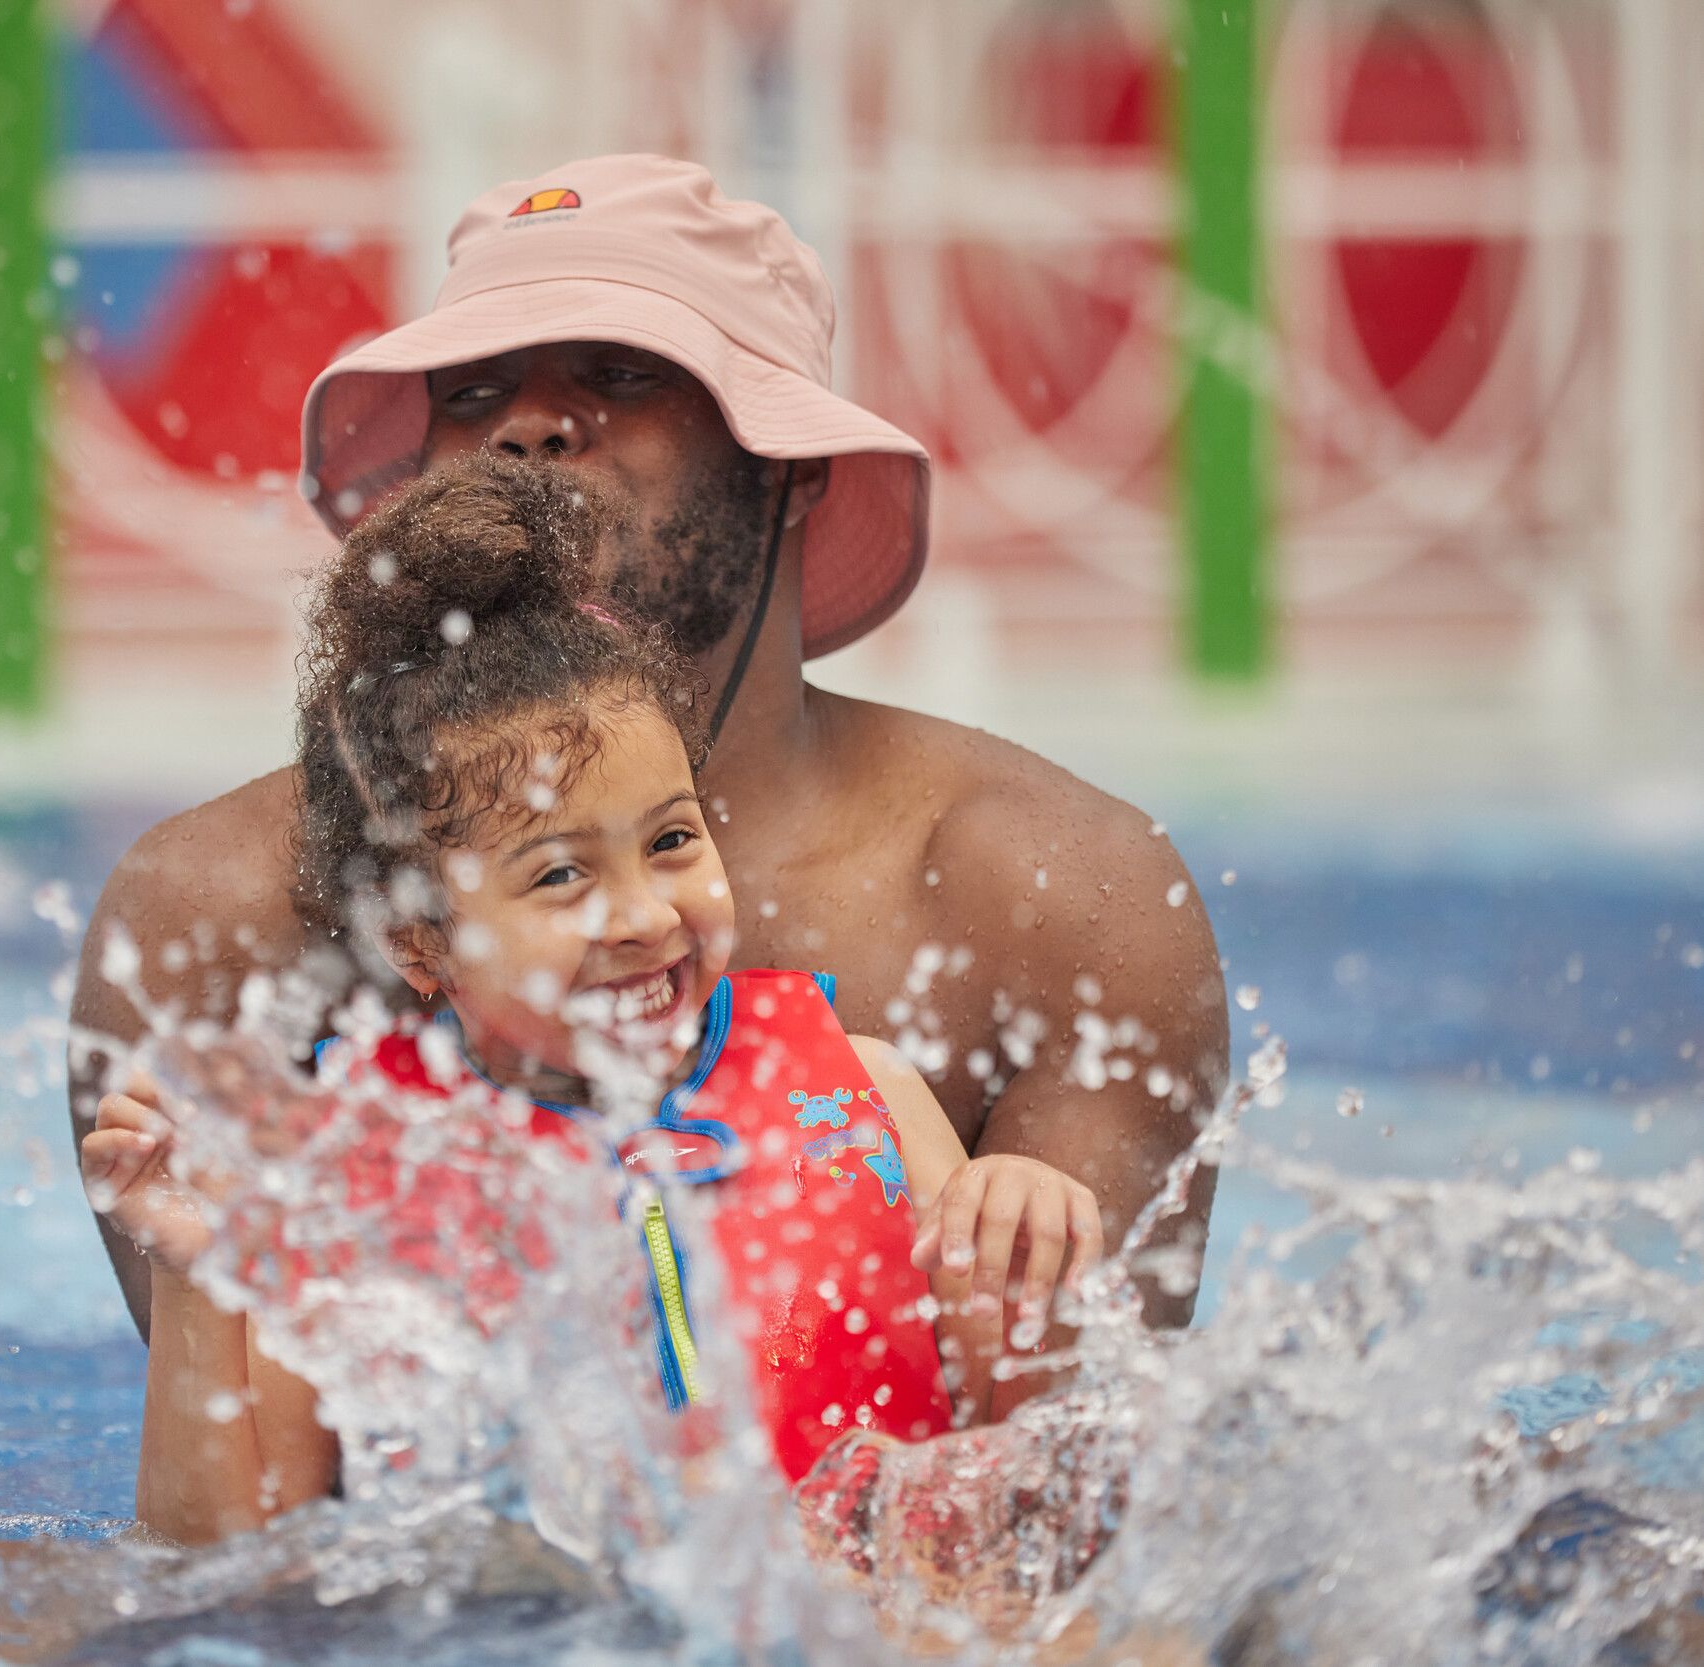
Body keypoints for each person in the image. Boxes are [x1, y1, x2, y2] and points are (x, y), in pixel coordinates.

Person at [72, 153, 1227, 1376]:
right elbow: (254, 1531)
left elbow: (1063, 1482)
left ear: (792, 470)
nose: (525, 424)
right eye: (470, 395)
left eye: (621, 375)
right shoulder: (221, 904)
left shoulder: (1050, 900)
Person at [82, 456, 1104, 1544]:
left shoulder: (867, 1091)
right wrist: (198, 1274)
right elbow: (228, 1568)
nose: (642, 915)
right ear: (421, 941)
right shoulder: (349, 1183)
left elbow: (1022, 1485)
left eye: (671, 841)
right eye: (560, 874)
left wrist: (1025, 1257)